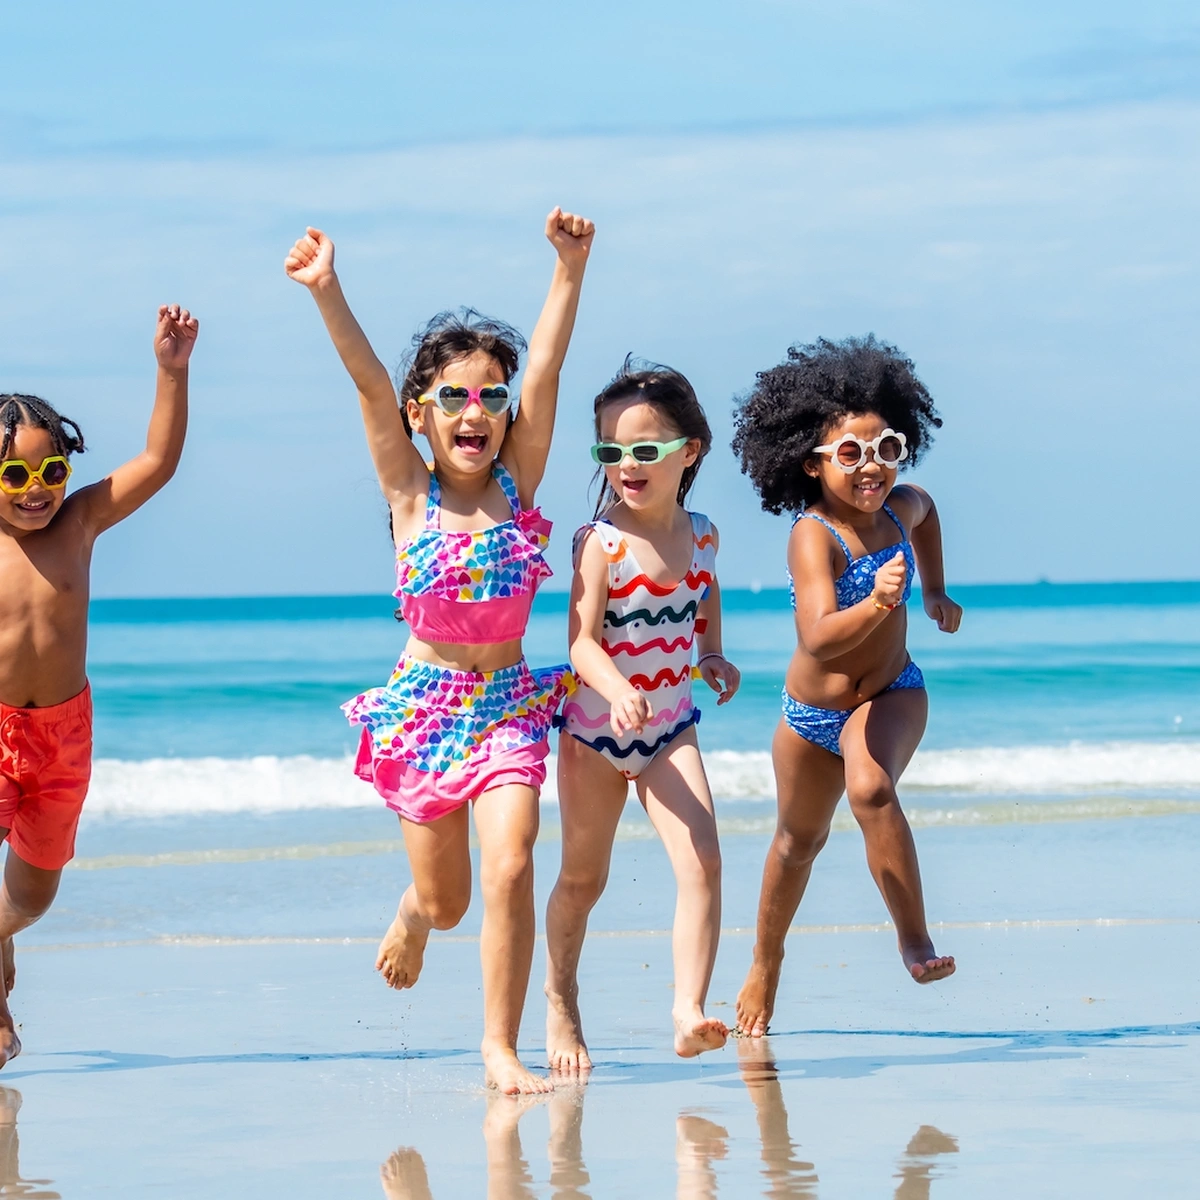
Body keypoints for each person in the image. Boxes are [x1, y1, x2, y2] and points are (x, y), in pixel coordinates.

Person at [285, 209, 594, 1095]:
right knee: (452, 900)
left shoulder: (518, 483)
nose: (475, 410)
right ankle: (416, 913)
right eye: (454, 396)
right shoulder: (409, 492)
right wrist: (327, 289)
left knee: (513, 860)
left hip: (506, 708)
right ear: (423, 415)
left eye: (489, 397)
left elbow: (547, 366)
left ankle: (499, 1045)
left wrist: (568, 270)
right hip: (424, 712)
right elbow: (367, 383)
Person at [730, 335, 962, 1038]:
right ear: (812, 463)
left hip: (892, 690)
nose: (872, 469)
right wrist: (881, 603)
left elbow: (929, 518)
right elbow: (818, 636)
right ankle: (764, 963)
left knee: (871, 788)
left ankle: (914, 939)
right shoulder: (815, 535)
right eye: (851, 454)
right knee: (796, 844)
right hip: (810, 714)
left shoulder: (904, 508)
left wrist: (936, 593)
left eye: (886, 449)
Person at [0, 305, 199, 1066]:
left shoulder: (78, 524)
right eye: (14, 473)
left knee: (33, 897)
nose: (35, 488)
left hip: (61, 737)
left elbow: (158, 459)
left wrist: (170, 371)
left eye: (51, 470)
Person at [545, 361, 740, 1071]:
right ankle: (560, 998)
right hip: (596, 734)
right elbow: (581, 641)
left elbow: (704, 595)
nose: (627, 465)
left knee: (705, 862)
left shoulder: (706, 533)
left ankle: (687, 1010)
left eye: (645, 449)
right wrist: (615, 687)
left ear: (688, 451)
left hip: (668, 730)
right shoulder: (600, 543)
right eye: (611, 451)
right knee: (582, 881)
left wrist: (712, 653)